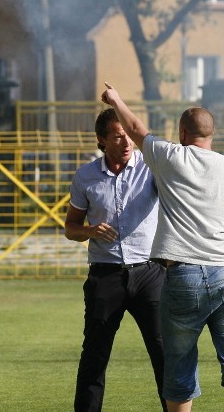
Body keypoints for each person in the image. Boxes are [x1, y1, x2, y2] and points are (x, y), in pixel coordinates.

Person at [100, 83, 224, 412]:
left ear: (182, 132)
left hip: (182, 274)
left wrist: (116, 98)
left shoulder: (170, 156)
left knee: (180, 364)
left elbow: (136, 129)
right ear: (212, 134)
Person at [65, 107, 167, 412]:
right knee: (94, 356)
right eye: (118, 136)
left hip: (150, 274)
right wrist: (89, 230)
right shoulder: (85, 176)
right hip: (104, 277)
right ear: (101, 140)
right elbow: (70, 228)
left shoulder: (152, 169)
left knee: (165, 354)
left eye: (129, 136)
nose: (126, 143)